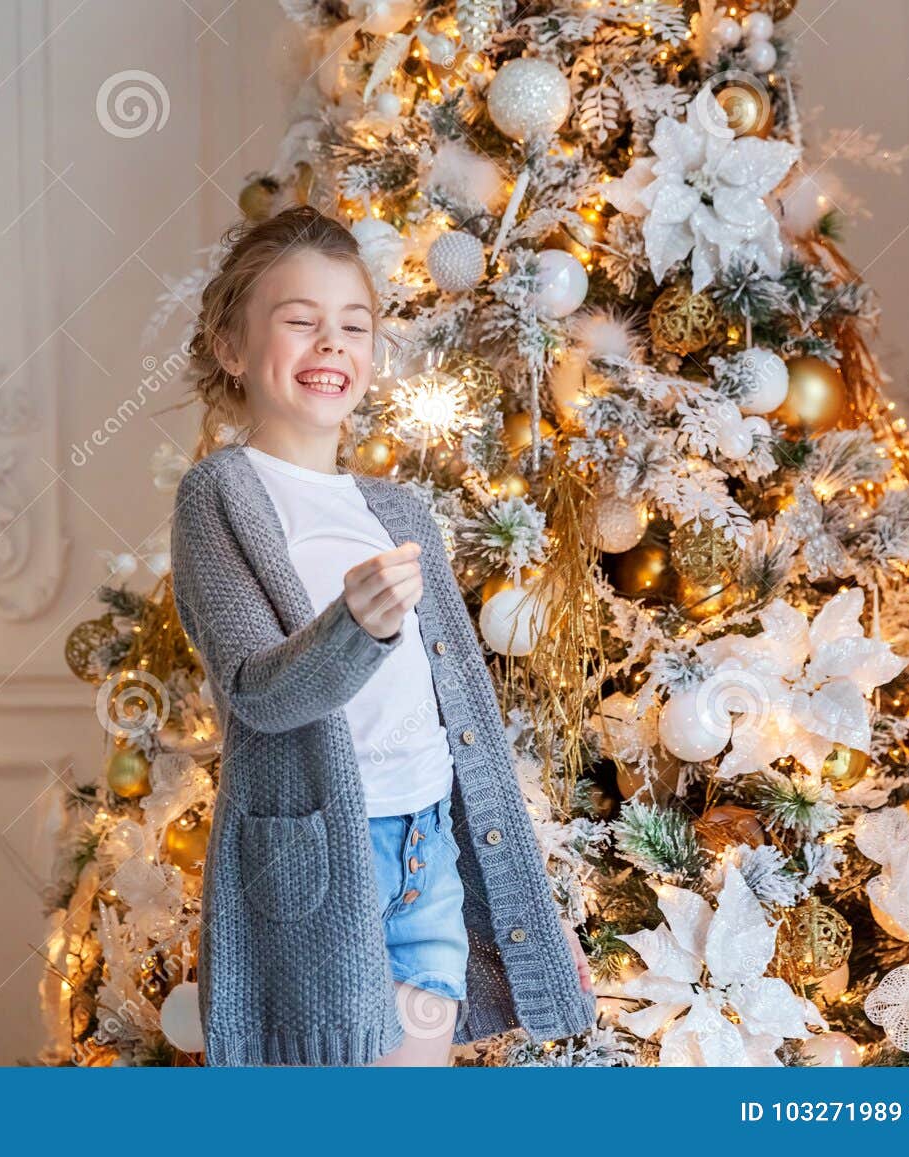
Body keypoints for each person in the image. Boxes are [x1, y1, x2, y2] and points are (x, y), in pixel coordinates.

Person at [169, 204, 595, 1067]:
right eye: (300, 322)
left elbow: (463, 728)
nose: (331, 345)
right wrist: (354, 629)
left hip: (426, 850)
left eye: (352, 326)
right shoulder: (222, 496)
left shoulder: (397, 512)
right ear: (230, 347)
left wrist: (531, 922)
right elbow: (259, 692)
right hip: (326, 863)